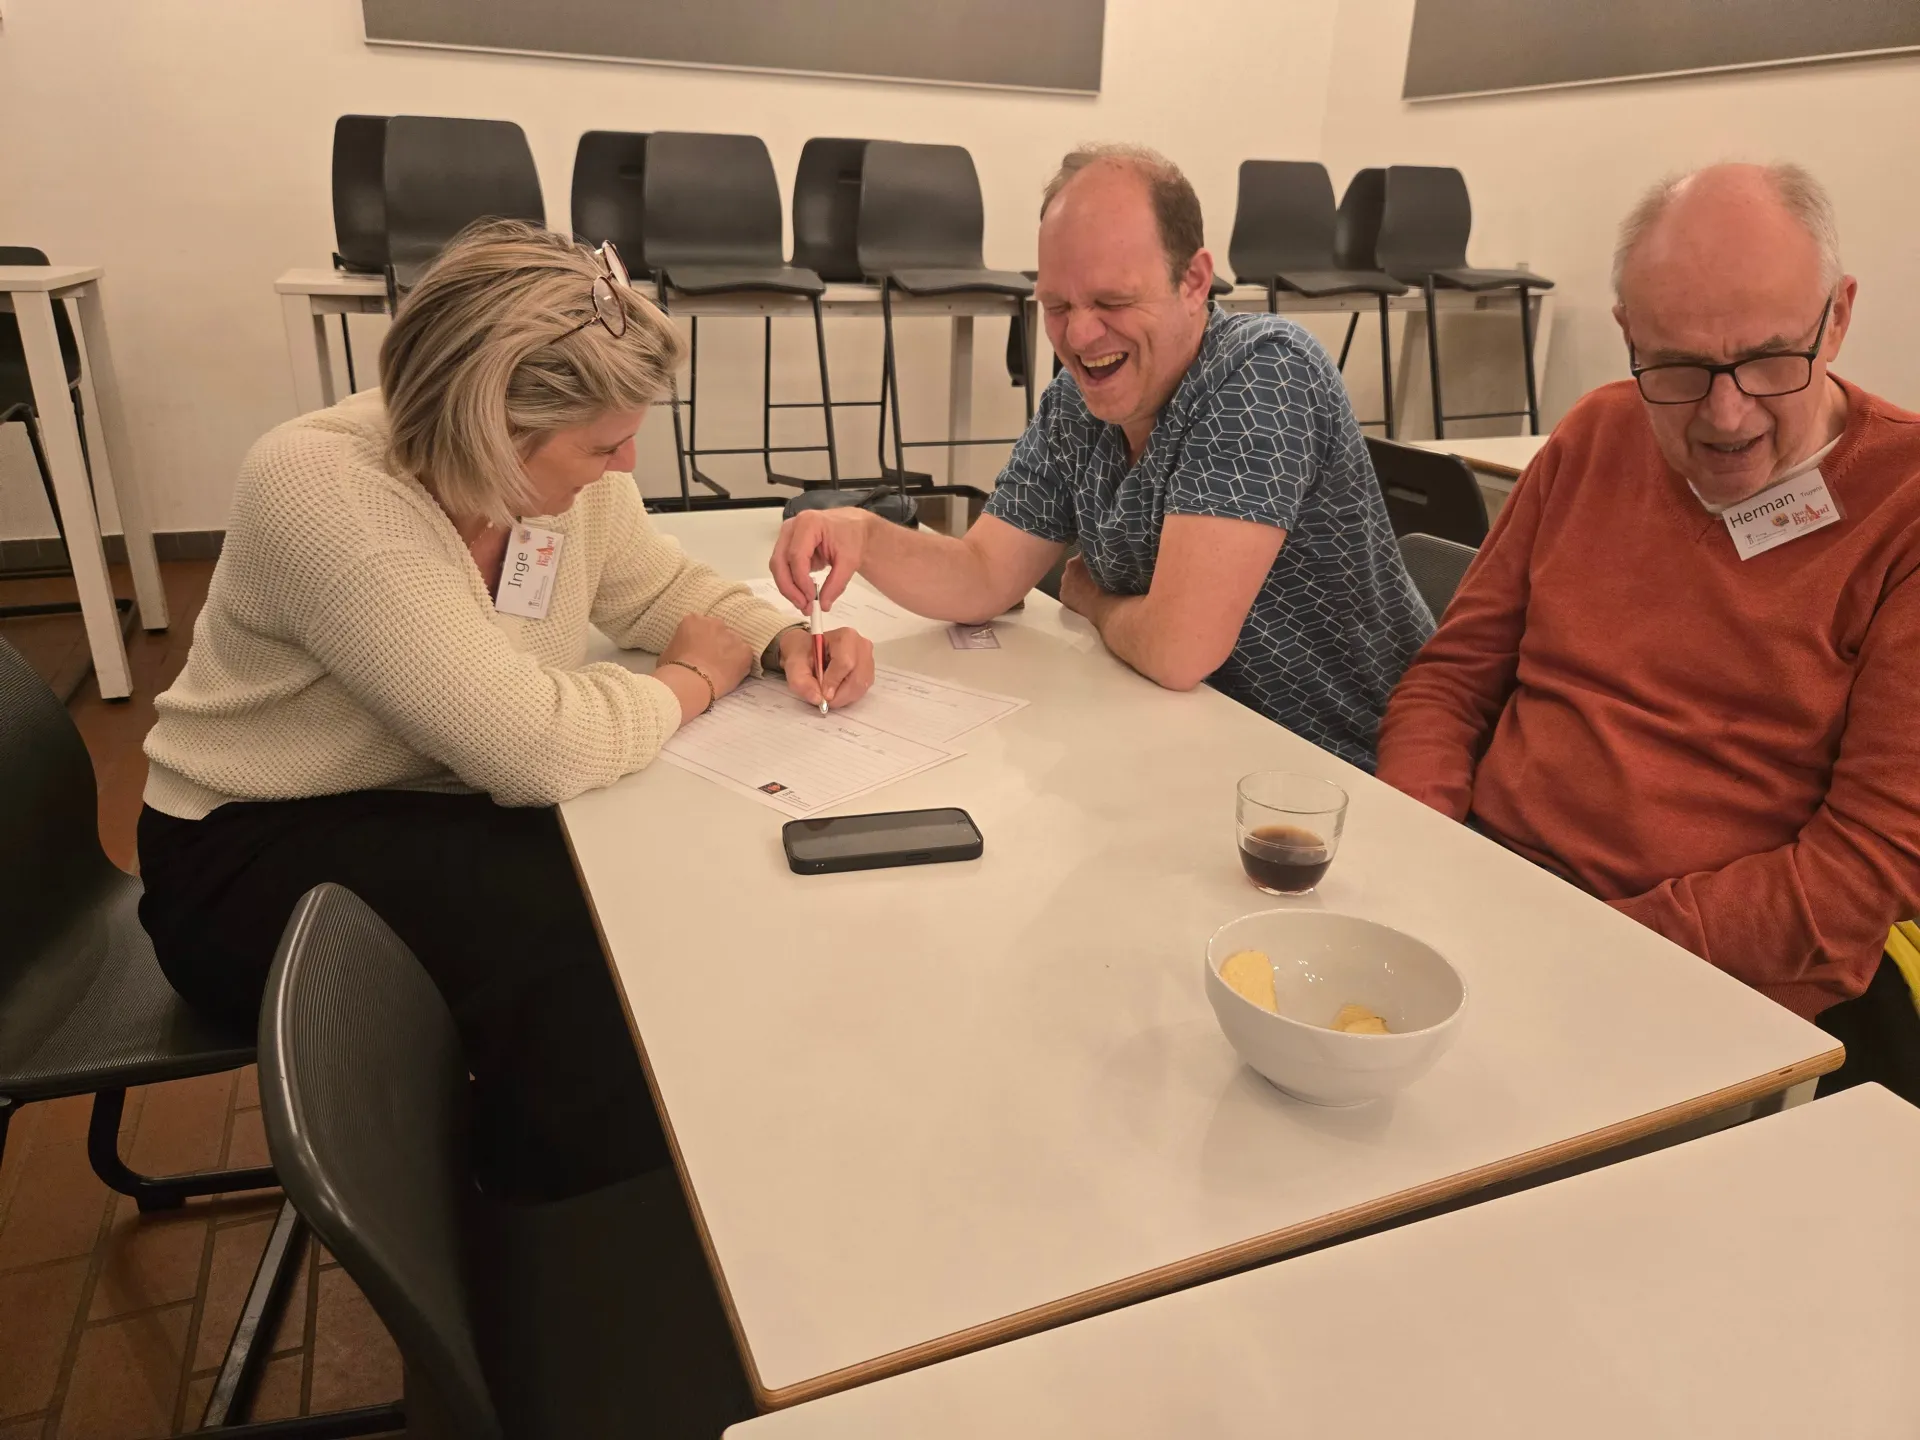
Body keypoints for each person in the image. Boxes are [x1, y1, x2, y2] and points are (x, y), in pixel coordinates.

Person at [138, 221, 875, 1201]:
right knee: (584, 948)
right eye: (603, 443)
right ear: (491, 429)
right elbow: (533, 747)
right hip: (246, 847)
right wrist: (690, 683)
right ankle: (556, 1221)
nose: (626, 462)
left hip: (425, 800)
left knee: (633, 890)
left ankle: (597, 1166)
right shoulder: (323, 491)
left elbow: (659, 590)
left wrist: (784, 640)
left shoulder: (557, 480)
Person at [1376, 164, 1920, 1101]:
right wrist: (1419, 847)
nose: (1726, 415)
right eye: (1677, 368)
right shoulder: (1596, 434)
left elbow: (1863, 868)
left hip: (1707, 991)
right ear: (1629, 335)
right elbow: (1452, 679)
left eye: (1769, 360)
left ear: (1837, 319)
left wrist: (1591, 946)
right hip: (1482, 913)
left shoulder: (1902, 509)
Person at [771, 145, 1431, 770]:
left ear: (1194, 282)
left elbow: (1177, 652)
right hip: (1193, 746)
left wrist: (1093, 600)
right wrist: (863, 535)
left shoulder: (1263, 373)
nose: (1081, 336)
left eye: (1112, 302)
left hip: (1343, 774)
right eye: (1057, 305)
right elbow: (983, 576)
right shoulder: (1075, 404)